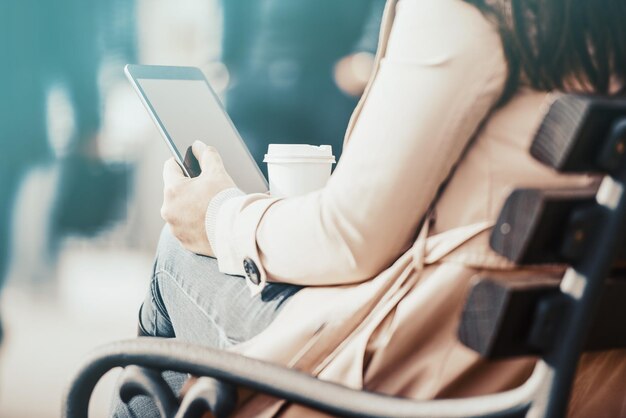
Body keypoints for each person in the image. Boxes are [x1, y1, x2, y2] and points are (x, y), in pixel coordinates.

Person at [114, 0, 626, 416]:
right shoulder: (592, 25)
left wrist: (219, 217)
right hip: (553, 377)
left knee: (178, 256)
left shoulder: (466, 13)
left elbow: (350, 236)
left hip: (412, 382)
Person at [220, 0, 386, 171]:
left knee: (331, 175)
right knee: (252, 177)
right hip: (256, 75)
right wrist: (227, 59)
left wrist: (367, 52)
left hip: (333, 76)